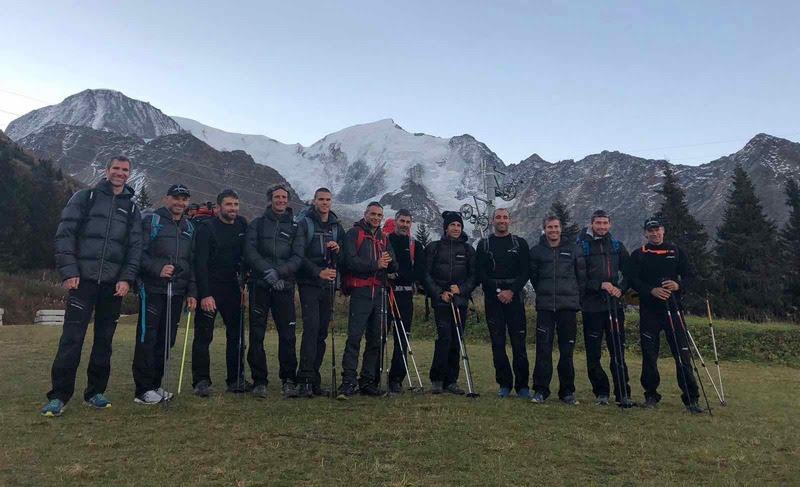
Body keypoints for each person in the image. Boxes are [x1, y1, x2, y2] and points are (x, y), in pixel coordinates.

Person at [40, 156, 143, 417]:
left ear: (129, 175)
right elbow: (65, 234)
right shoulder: (84, 198)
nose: (120, 173)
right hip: (82, 280)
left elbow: (135, 249)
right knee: (72, 339)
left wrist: (126, 279)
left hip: (113, 286)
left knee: (104, 341)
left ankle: (95, 392)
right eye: (116, 169)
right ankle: (59, 396)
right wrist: (69, 271)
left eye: (125, 170)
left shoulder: (131, 209)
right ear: (107, 171)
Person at [627, 217, 702, 413]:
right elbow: (633, 280)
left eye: (657, 229)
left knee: (682, 354)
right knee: (649, 355)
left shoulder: (676, 252)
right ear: (645, 233)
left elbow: (691, 276)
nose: (654, 233)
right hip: (649, 311)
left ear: (663, 230)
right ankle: (651, 395)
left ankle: (691, 399)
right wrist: (650, 290)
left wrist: (679, 286)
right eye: (650, 230)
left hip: (673, 309)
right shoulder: (639, 254)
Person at [132, 184, 198, 404]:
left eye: (184, 199)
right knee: (147, 338)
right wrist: (157, 269)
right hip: (152, 288)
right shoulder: (152, 222)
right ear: (166, 199)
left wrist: (191, 291)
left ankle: (156, 384)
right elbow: (138, 254)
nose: (180, 203)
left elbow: (191, 263)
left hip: (177, 291)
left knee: (166, 339)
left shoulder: (189, 227)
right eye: (176, 198)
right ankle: (143, 389)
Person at [244, 184, 303, 398]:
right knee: (257, 334)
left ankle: (288, 379)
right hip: (260, 286)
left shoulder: (296, 227)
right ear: (270, 199)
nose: (280, 200)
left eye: (284, 197)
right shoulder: (257, 224)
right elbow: (250, 250)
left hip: (284, 287)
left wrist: (279, 273)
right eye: (277, 197)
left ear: (288, 200)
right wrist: (267, 271)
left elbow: (298, 256)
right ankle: (259, 380)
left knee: (287, 335)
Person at [190, 189, 249, 397]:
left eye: (235, 204)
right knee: (203, 336)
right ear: (218, 207)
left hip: (233, 288)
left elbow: (246, 258)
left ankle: (236, 379)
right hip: (210, 289)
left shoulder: (242, 225)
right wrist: (205, 294)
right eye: (228, 205)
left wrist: (244, 286)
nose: (233, 208)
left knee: (237, 335)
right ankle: (201, 381)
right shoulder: (207, 228)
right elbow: (200, 263)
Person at [337, 202, 397, 398]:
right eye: (373, 214)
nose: (376, 218)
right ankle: (348, 381)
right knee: (354, 337)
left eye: (379, 215)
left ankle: (368, 381)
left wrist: (389, 263)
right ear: (365, 214)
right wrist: (376, 264)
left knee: (376, 338)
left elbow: (393, 264)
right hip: (361, 292)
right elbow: (349, 261)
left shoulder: (383, 237)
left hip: (379, 292)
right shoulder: (354, 233)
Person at [577, 210, 634, 407]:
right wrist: (599, 285)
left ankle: (623, 393)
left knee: (617, 351)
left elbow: (629, 273)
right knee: (593, 353)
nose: (601, 226)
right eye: (598, 223)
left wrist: (621, 289)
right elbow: (578, 278)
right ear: (591, 224)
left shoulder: (617, 246)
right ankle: (601, 392)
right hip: (592, 307)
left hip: (614, 306)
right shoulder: (582, 246)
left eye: (604, 223)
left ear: (610, 225)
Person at [528, 215, 586, 404]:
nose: (553, 230)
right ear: (544, 229)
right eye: (549, 227)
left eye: (556, 227)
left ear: (561, 229)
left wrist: (573, 295)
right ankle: (541, 390)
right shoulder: (536, 251)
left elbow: (581, 277)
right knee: (543, 350)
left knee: (566, 351)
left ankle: (567, 391)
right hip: (545, 308)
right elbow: (534, 277)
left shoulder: (574, 249)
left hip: (567, 308)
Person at [293, 188, 345, 398]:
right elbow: (298, 255)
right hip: (309, 283)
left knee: (322, 333)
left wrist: (338, 250)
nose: (324, 203)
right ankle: (304, 380)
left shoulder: (336, 226)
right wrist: (318, 272)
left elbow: (344, 256)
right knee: (311, 330)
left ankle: (314, 380)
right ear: (314, 201)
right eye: (321, 199)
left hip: (328, 286)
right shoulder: (305, 224)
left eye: (328, 200)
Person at [475, 208, 531, 399]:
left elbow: (526, 271)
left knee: (519, 343)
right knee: (497, 344)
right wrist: (499, 291)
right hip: (493, 298)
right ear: (492, 221)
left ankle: (522, 385)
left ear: (510, 221)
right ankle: (504, 384)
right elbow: (480, 273)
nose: (502, 220)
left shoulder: (520, 244)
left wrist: (512, 291)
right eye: (498, 217)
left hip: (515, 298)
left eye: (505, 217)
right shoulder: (484, 244)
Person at [423, 211, 476, 395]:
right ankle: (437, 379)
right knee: (444, 338)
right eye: (452, 225)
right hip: (442, 301)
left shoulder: (468, 250)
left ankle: (451, 381)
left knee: (456, 340)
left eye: (458, 225)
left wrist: (461, 290)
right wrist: (439, 293)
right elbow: (425, 275)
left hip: (460, 301)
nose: (455, 228)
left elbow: (474, 276)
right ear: (446, 228)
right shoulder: (434, 247)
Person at [384, 210, 425, 394]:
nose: (405, 224)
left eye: (408, 221)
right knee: (379, 336)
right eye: (402, 221)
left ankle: (396, 379)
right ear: (396, 221)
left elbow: (418, 272)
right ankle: (372, 377)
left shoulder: (415, 245)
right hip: (386, 294)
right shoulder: (386, 240)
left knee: (402, 338)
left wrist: (399, 276)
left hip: (405, 296)